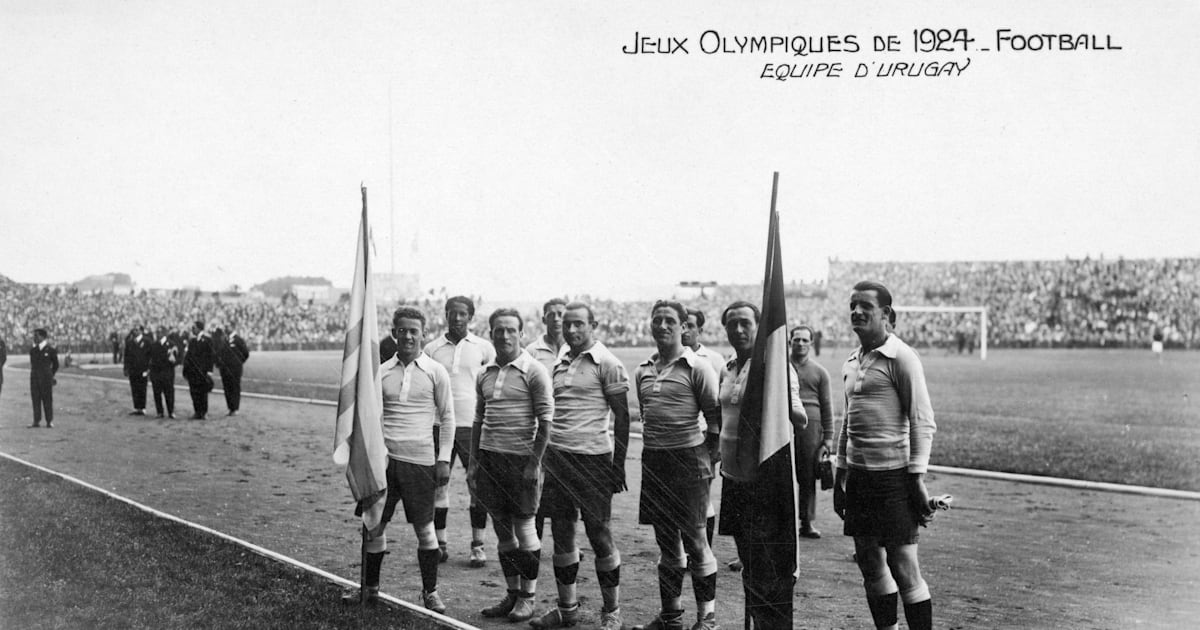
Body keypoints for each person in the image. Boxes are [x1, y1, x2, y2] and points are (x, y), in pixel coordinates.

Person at [834, 281, 938, 630]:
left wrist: (917, 479)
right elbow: (847, 421)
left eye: (865, 306)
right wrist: (840, 475)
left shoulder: (902, 357)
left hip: (893, 477)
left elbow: (922, 421)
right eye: (853, 305)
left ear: (886, 315)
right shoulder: (851, 361)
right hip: (860, 478)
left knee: (903, 565)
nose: (857, 312)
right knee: (869, 562)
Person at [531, 302, 630, 630]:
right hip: (559, 458)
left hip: (593, 460)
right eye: (568, 325)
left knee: (599, 533)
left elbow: (623, 416)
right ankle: (567, 608)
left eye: (579, 325)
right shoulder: (560, 361)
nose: (571, 330)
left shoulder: (608, 363)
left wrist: (619, 466)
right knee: (561, 532)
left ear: (594, 325)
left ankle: (612, 610)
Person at [716, 302, 807, 629]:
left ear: (758, 327)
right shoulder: (727, 368)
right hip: (733, 479)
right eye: (732, 325)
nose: (738, 331)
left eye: (745, 324)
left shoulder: (775, 369)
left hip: (764, 482)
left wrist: (781, 400)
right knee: (750, 566)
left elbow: (799, 416)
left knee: (769, 570)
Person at [632, 300, 721, 630]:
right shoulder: (643, 369)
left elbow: (715, 420)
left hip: (688, 459)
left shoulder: (697, 367)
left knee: (697, 541)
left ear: (684, 326)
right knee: (666, 542)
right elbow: (646, 413)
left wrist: (705, 459)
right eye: (658, 320)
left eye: (670, 320)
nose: (663, 325)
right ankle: (671, 617)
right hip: (654, 460)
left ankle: (706, 619)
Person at [361, 306, 456, 614]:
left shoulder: (435, 371)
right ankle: (370, 589)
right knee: (374, 525)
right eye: (403, 330)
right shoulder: (382, 371)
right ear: (394, 333)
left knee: (425, 530)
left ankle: (431, 593)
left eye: (414, 331)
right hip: (384, 462)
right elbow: (371, 416)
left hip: (420, 462)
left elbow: (448, 418)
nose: (408, 336)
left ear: (422, 334)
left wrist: (443, 459)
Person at [470, 308, 553, 622]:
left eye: (510, 330)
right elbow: (479, 420)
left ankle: (528, 598)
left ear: (521, 334)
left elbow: (546, 423)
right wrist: (475, 463)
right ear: (491, 334)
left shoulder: (534, 371)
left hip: (521, 462)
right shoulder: (485, 372)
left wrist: (534, 464)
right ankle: (511, 593)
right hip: (491, 458)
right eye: (498, 331)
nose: (504, 336)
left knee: (525, 529)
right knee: (502, 530)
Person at [422, 296, 496, 566]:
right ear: (445, 315)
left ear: (470, 316)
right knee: (438, 483)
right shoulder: (431, 349)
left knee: (476, 484)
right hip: (439, 426)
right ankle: (439, 543)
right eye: (452, 313)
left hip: (471, 425)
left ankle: (478, 545)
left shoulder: (484, 348)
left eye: (462, 313)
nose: (456, 318)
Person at [681, 307, 726, 547]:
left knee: (702, 495)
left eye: (690, 325)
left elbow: (721, 403)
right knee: (680, 495)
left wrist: (716, 440)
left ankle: (701, 548)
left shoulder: (715, 360)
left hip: (705, 436)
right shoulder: (667, 357)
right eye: (682, 324)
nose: (685, 330)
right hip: (679, 438)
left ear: (700, 329)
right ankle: (685, 550)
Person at [791, 325, 834, 539]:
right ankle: (785, 522)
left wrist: (828, 439)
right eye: (796, 339)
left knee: (807, 476)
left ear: (811, 343)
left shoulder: (819, 372)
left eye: (804, 340)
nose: (800, 343)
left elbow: (827, 407)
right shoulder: (779, 368)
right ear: (790, 342)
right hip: (785, 424)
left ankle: (806, 522)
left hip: (811, 428)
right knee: (783, 474)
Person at [214, 323, 250, 416]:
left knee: (235, 387)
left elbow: (245, 353)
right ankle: (230, 407)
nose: (226, 328)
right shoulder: (224, 339)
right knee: (227, 387)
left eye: (228, 326)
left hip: (235, 369)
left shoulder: (238, 340)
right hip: (225, 368)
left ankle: (235, 408)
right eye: (225, 326)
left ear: (233, 327)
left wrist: (238, 363)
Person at [182, 320, 214, 420]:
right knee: (194, 392)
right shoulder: (192, 341)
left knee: (202, 392)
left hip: (202, 371)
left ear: (199, 328)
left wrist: (209, 371)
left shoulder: (207, 340)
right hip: (193, 372)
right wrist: (186, 370)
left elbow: (211, 356)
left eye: (194, 328)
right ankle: (197, 411)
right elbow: (188, 357)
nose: (192, 330)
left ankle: (203, 412)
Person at [526, 297, 568, 371]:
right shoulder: (531, 351)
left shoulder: (574, 348)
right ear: (544, 320)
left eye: (560, 315)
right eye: (551, 315)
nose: (556, 319)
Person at [29, 328, 58, 428]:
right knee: (35, 400)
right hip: (35, 379)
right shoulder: (33, 350)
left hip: (46, 379)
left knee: (47, 400)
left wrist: (50, 374)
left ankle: (49, 421)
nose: (34, 338)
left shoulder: (50, 350)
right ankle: (36, 420)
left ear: (42, 337)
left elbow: (56, 365)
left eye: (36, 336)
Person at [148, 325, 179, 419]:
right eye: (157, 332)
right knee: (157, 393)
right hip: (156, 372)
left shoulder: (171, 344)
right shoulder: (154, 345)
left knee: (169, 393)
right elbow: (150, 359)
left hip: (167, 372)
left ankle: (171, 411)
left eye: (160, 332)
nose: (158, 334)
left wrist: (173, 360)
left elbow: (177, 358)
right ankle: (160, 411)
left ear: (164, 333)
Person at [123, 324, 151, 416]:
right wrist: (126, 368)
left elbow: (150, 356)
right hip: (133, 369)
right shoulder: (130, 342)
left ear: (141, 331)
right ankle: (137, 407)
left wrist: (149, 369)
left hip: (143, 369)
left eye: (137, 330)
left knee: (142, 388)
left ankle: (142, 407)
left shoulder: (147, 341)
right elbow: (126, 356)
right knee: (134, 388)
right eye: (134, 330)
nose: (135, 331)